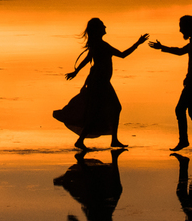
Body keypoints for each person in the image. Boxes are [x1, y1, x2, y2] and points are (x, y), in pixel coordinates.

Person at [53, 18, 148, 150]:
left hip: (99, 81)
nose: (105, 27)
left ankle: (95, 140)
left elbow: (87, 59)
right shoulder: (102, 45)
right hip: (100, 83)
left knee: (98, 112)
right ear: (98, 30)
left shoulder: (96, 44)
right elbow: (122, 55)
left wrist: (76, 72)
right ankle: (107, 140)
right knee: (112, 108)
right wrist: (137, 43)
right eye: (103, 26)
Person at [149, 15, 192, 151]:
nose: (180, 31)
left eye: (182, 27)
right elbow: (181, 51)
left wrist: (189, 77)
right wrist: (162, 47)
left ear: (188, 27)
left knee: (180, 109)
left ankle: (184, 141)